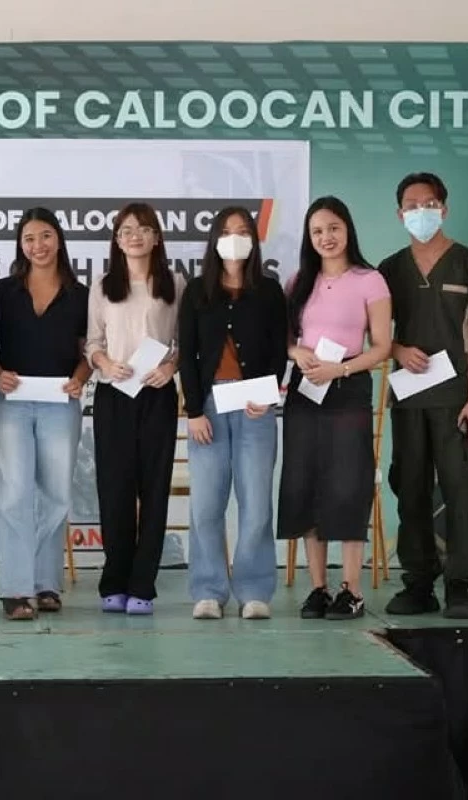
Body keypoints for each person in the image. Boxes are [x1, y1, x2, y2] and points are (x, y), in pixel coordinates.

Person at [378, 172, 468, 620]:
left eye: (428, 204)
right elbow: (375, 336)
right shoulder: (389, 271)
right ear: (399, 214)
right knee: (409, 489)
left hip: (459, 401)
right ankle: (417, 584)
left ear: (444, 209)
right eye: (411, 205)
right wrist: (395, 348)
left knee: (459, 491)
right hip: (409, 400)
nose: (420, 212)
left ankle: (460, 586)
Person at [277, 196, 391, 621]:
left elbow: (381, 347)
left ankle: (352, 590)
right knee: (305, 485)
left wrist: (339, 369)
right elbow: (286, 340)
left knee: (348, 486)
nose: (326, 237)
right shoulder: (296, 282)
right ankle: (319, 588)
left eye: (333, 228)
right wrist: (297, 353)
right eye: (317, 231)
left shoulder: (370, 280)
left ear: (348, 231)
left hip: (348, 391)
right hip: (305, 394)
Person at [179, 207, 287, 620]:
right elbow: (187, 354)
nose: (235, 237)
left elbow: (278, 350)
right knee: (206, 504)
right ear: (215, 240)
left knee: (257, 502)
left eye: (243, 231)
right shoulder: (196, 291)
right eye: (227, 231)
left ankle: (254, 589)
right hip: (207, 407)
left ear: (254, 241)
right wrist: (192, 410)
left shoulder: (270, 291)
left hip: (256, 407)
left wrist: (269, 393)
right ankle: (208, 589)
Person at [85, 202, 186, 615]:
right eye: (126, 229)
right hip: (113, 394)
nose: (134, 236)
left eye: (144, 229)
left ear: (156, 237)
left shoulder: (175, 283)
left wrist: (170, 368)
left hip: (156, 393)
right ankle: (115, 580)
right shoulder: (103, 284)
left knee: (154, 490)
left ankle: (143, 584)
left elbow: (184, 342)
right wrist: (105, 364)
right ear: (116, 239)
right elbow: (91, 342)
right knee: (115, 491)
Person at [0, 209, 90, 620]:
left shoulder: (81, 294)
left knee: (56, 494)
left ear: (59, 241)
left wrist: (80, 379)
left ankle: (46, 582)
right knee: (13, 495)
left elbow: (89, 351)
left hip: (61, 402)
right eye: (29, 239)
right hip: (11, 404)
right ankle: (15, 589)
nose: (38, 246)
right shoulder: (1, 292)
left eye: (46, 236)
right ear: (20, 245)